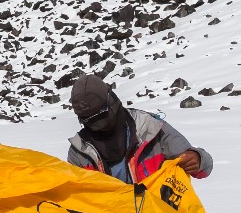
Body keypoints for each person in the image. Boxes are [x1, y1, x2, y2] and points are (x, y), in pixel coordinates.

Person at [65, 76, 213, 184]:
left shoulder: (151, 129)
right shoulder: (80, 153)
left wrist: (197, 158)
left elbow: (204, 168)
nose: (96, 123)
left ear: (111, 102)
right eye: (87, 119)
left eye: (100, 114)